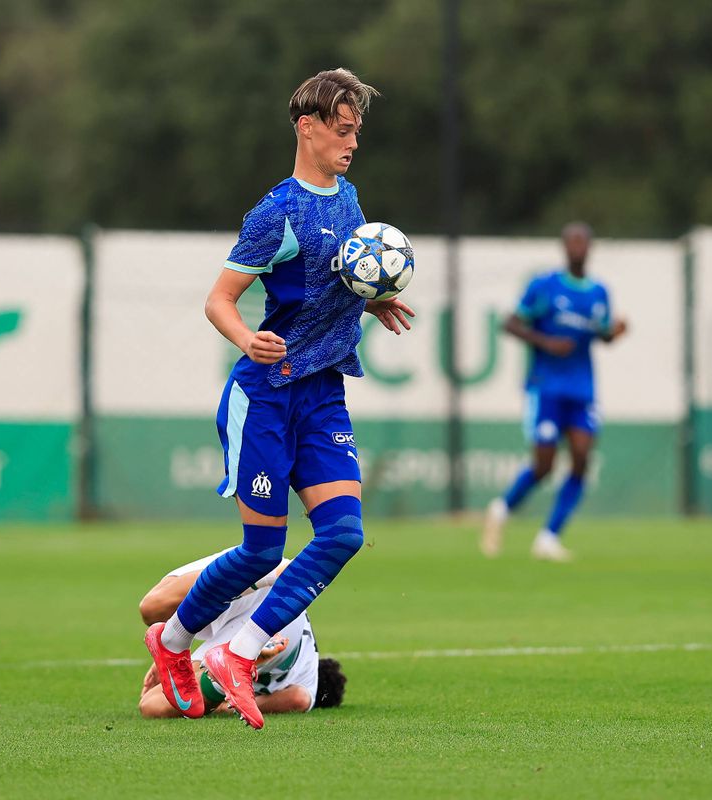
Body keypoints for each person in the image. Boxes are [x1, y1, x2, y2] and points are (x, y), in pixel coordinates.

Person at [143, 67, 414, 730]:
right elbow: (219, 300)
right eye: (342, 130)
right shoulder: (276, 214)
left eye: (357, 131)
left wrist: (370, 298)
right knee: (262, 552)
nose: (352, 143)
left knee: (343, 534)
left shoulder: (348, 201)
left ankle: (235, 652)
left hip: (322, 394)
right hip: (265, 394)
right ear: (308, 127)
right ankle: (174, 642)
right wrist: (248, 338)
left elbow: (334, 279)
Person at [481, 222, 627, 562]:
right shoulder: (545, 286)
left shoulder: (598, 292)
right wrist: (546, 342)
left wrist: (615, 332)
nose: (577, 247)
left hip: (582, 390)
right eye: (572, 241)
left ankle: (548, 537)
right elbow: (510, 322)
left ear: (590, 248)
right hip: (547, 387)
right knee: (544, 465)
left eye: (583, 241)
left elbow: (601, 334)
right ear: (564, 247)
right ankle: (502, 509)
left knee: (581, 457)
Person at [137, 549, 347, 719]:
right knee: (154, 705)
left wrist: (173, 652)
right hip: (278, 630)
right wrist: (222, 701)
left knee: (152, 607)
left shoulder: (306, 665)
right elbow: (299, 699)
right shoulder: (305, 685)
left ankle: (261, 570)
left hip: (280, 597)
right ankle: (235, 663)